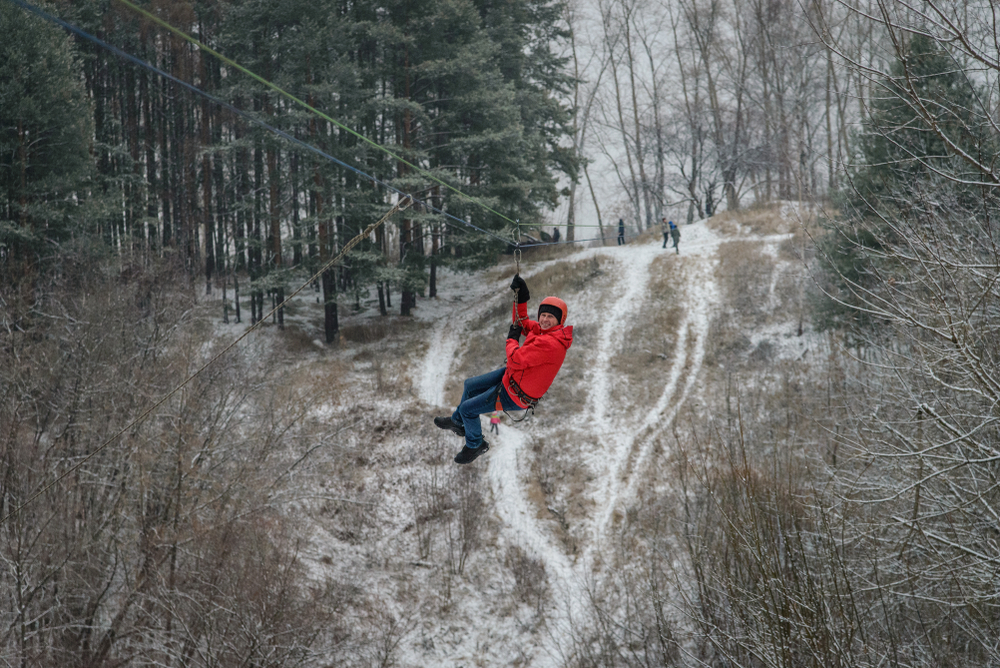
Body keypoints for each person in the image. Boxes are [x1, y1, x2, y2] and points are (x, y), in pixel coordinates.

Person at [434, 275, 574, 464]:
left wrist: (512, 339)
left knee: (468, 409)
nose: (545, 319)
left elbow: (516, 359)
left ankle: (475, 444)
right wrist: (521, 299)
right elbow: (522, 322)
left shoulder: (551, 344)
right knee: (470, 385)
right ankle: (458, 423)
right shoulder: (542, 330)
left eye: (551, 317)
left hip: (516, 395)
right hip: (512, 377)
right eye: (543, 315)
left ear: (560, 320)